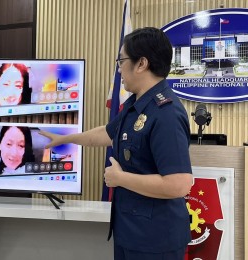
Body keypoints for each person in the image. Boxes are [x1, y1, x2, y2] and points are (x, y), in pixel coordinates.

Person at [39, 27, 193, 260]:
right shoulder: (136, 105)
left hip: (155, 241)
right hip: (131, 232)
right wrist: (66, 138)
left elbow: (179, 184)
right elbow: (107, 133)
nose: (119, 68)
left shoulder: (166, 113)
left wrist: (120, 179)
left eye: (121, 60)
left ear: (141, 64)